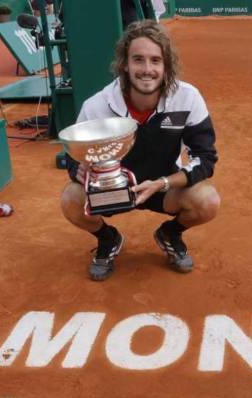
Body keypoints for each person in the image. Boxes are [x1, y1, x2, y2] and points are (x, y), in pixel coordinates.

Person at [60, 20, 220, 281]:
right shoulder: (98, 105)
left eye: (155, 61)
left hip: (164, 188)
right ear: (125, 63)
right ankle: (107, 239)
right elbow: (72, 157)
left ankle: (170, 233)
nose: (147, 69)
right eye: (138, 60)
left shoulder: (187, 98)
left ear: (166, 65)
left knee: (207, 201)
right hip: (113, 191)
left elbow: (205, 158)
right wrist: (80, 170)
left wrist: (163, 183)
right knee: (70, 199)